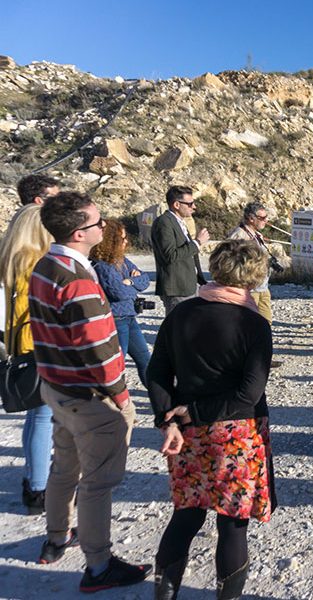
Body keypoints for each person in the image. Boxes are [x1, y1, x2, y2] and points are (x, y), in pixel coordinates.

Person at [29, 191, 150, 590]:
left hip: (57, 387)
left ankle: (56, 537)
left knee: (64, 467)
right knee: (97, 482)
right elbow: (99, 348)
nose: (104, 227)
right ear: (80, 233)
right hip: (89, 395)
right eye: (98, 222)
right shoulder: (78, 279)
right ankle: (98, 565)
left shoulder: (46, 265)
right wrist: (121, 396)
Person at [148, 239, 275, 600]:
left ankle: (164, 594)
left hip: (187, 433)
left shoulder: (181, 314)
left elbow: (157, 372)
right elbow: (248, 394)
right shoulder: (253, 323)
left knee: (187, 513)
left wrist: (169, 420)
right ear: (254, 276)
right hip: (236, 433)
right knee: (232, 522)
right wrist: (194, 413)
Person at [0, 205, 54, 514]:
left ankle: (34, 480)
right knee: (45, 418)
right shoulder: (37, 263)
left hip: (22, 348)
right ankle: (39, 488)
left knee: (36, 418)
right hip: (41, 347)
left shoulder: (13, 260)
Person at [90, 219, 152, 389]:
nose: (126, 241)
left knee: (145, 360)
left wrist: (130, 281)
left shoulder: (122, 260)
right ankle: (116, 397)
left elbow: (145, 280)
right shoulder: (102, 266)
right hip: (116, 320)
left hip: (129, 317)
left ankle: (160, 397)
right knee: (117, 365)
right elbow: (118, 293)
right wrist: (132, 285)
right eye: (122, 238)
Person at [151, 185, 210, 315]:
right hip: (178, 288)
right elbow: (170, 255)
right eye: (190, 204)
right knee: (179, 325)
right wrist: (197, 242)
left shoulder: (179, 222)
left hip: (189, 286)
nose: (194, 207)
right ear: (177, 205)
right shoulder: (164, 223)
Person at [227, 201, 274, 323]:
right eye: (262, 218)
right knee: (249, 324)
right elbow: (230, 262)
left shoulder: (257, 235)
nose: (266, 220)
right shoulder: (239, 236)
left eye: (266, 217)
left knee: (266, 323)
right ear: (251, 218)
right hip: (248, 289)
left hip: (262, 287)